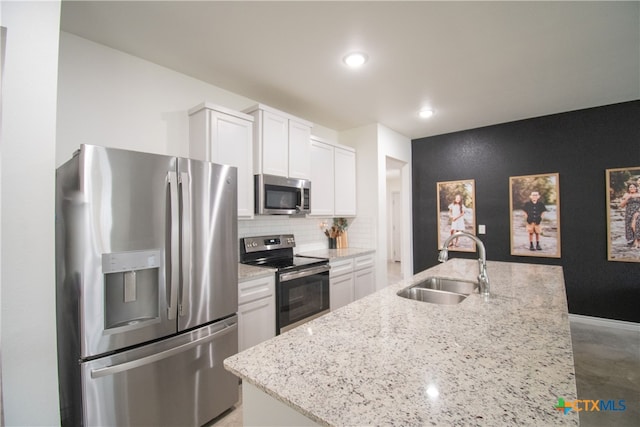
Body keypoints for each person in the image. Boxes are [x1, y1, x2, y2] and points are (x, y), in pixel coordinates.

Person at [619, 182, 640, 249]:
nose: (632, 188)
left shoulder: (639, 194)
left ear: (636, 188)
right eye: (630, 187)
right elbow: (621, 205)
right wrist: (627, 198)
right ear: (628, 188)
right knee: (630, 227)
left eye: (634, 187)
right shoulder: (626, 195)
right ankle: (633, 241)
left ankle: (637, 241)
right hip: (629, 213)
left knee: (635, 224)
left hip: (638, 212)